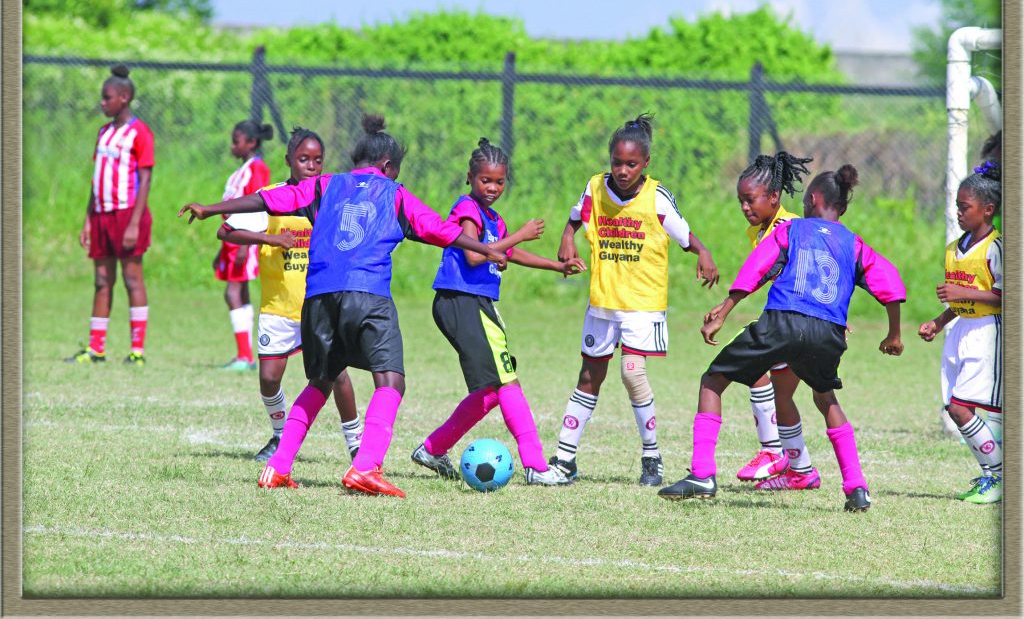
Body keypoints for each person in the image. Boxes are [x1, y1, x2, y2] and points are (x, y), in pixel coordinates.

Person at [180, 114, 508, 498]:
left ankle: (278, 467)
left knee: (320, 380)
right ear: (387, 166)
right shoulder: (395, 193)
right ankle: (366, 466)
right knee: (390, 380)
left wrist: (211, 208)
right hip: (367, 295)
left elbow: (270, 199)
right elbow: (443, 230)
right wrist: (487, 248)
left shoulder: (324, 185)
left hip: (318, 298)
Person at [659, 165, 906, 512]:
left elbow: (758, 267)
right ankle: (856, 488)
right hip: (827, 332)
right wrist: (894, 333)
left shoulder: (793, 229)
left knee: (712, 381)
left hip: (784, 320)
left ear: (813, 199)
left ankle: (702, 474)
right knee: (826, 399)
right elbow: (890, 282)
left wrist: (726, 308)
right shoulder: (854, 244)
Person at [552, 113, 719, 486]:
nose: (622, 170)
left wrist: (704, 254)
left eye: (631, 164)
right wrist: (567, 236)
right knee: (589, 376)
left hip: (643, 302)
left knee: (632, 372)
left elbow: (684, 233)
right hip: (604, 300)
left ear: (645, 164)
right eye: (616, 162)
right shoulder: (595, 187)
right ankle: (564, 459)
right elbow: (577, 216)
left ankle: (651, 455)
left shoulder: (656, 197)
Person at [410, 138, 585, 487]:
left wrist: (555, 266)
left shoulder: (493, 217)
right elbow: (476, 255)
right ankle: (535, 466)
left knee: (490, 391)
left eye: (499, 181)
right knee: (507, 381)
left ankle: (433, 448)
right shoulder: (467, 209)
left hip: (475, 304)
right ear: (470, 178)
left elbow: (510, 254)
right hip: (462, 300)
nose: (492, 188)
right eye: (485, 180)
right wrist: (516, 236)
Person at [217, 127, 364, 463]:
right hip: (279, 306)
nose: (311, 166)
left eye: (317, 160)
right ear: (288, 160)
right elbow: (224, 231)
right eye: (303, 159)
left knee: (337, 374)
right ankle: (280, 435)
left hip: (320, 305)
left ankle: (356, 444)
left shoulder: (332, 197)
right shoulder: (269, 197)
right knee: (269, 379)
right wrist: (269, 240)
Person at [730, 151, 821, 491]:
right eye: (740, 200)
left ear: (773, 197)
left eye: (750, 200)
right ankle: (802, 469)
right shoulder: (759, 233)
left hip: (802, 321)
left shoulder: (791, 227)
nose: (744, 207)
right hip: (791, 320)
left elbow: (817, 272)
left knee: (757, 372)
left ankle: (772, 452)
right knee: (783, 394)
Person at [919, 161, 1002, 504]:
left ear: (988, 209)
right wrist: (939, 322)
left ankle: (997, 475)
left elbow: (1004, 295)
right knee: (956, 406)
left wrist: (963, 295)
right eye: (957, 205)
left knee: (961, 408)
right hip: (960, 331)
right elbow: (960, 297)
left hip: (989, 333)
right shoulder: (955, 248)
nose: (958, 212)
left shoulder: (997, 247)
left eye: (964, 207)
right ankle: (992, 472)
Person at [66, 64, 154, 366]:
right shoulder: (104, 133)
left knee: (132, 279)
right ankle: (96, 348)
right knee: (102, 280)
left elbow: (145, 180)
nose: (102, 103)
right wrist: (88, 220)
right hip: (101, 214)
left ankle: (137, 350)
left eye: (107, 98)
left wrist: (134, 223)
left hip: (127, 214)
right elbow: (97, 179)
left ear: (124, 97)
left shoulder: (139, 133)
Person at [216, 120, 273, 370]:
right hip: (233, 239)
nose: (232, 145)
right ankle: (247, 355)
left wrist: (244, 245)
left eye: (236, 140)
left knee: (233, 292)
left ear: (251, 143)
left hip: (244, 239)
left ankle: (244, 356)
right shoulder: (244, 169)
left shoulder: (257, 169)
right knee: (240, 292)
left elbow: (258, 205)